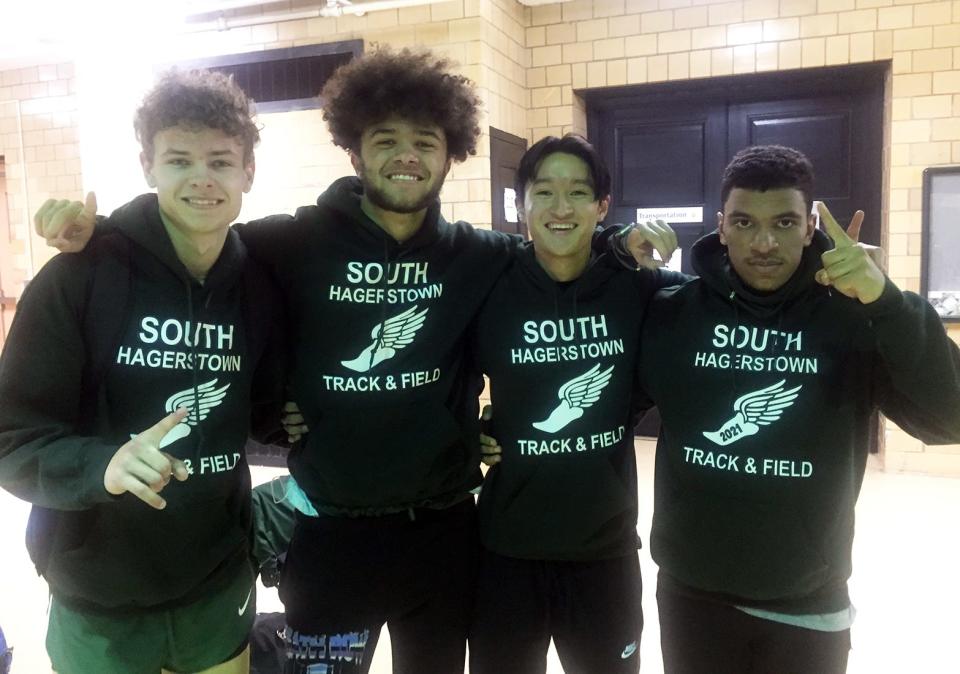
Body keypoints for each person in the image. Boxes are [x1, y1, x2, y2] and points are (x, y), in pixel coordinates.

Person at [34, 48, 670, 674]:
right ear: (354, 149)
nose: (407, 156)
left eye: (426, 140)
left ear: (452, 153)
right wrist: (102, 233)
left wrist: (619, 243)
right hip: (331, 534)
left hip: (443, 533)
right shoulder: (293, 241)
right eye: (385, 138)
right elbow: (193, 235)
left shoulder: (476, 255)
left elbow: (559, 244)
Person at [0, 70, 285, 674]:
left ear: (248, 173)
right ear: (148, 166)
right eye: (179, 160)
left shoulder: (258, 287)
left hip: (218, 576)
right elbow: (12, 440)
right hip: (98, 586)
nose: (202, 178)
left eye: (221, 160)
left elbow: (259, 407)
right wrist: (102, 464)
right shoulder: (78, 277)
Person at [637, 145, 960, 673]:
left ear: (811, 227)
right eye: (744, 222)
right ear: (722, 227)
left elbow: (951, 418)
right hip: (692, 593)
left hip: (807, 601)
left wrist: (887, 302)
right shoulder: (674, 315)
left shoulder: (852, 317)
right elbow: (608, 399)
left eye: (784, 222)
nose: (764, 242)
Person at [468, 134, 682, 674]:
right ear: (521, 204)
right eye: (544, 192)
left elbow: (724, 302)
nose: (560, 209)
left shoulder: (637, 284)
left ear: (602, 205)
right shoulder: (490, 284)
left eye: (578, 193)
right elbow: (437, 371)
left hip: (603, 549)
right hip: (507, 547)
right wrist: (464, 431)